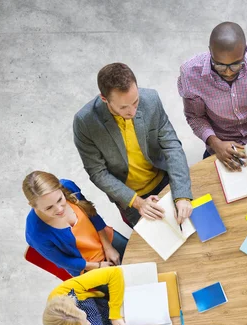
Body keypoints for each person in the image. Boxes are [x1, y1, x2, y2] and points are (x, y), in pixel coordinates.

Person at [74, 62, 193, 228]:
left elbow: (171, 146)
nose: (133, 111)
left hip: (163, 177)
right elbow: (97, 172)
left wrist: (181, 195)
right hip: (129, 195)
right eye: (124, 107)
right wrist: (138, 203)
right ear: (104, 99)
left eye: (135, 102)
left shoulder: (151, 100)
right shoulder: (85, 122)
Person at [178, 22, 247, 196]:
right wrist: (215, 144)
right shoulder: (191, 73)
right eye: (220, 66)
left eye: (236, 65)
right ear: (210, 51)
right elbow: (195, 117)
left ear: (245, 50)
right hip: (221, 144)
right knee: (217, 198)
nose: (228, 72)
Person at [24, 171, 128, 277]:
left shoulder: (68, 186)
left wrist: (108, 247)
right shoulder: (35, 233)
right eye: (49, 207)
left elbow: (92, 214)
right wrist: (99, 266)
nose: (59, 209)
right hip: (88, 266)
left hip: (105, 238)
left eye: (60, 199)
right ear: (33, 206)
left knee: (142, 255)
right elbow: (63, 261)